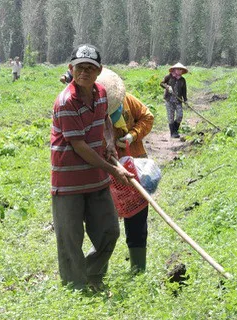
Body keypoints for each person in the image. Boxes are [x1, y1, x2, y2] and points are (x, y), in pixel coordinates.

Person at [51, 44, 133, 291]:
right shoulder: (66, 102)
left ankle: (91, 273)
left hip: (96, 178)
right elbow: (79, 146)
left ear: (99, 71)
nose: (84, 72)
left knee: (109, 231)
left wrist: (109, 142)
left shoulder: (100, 92)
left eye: (90, 68)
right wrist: (114, 170)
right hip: (69, 182)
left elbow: (105, 119)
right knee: (70, 240)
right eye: (79, 68)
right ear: (70, 69)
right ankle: (75, 288)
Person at [96, 68, 154, 274]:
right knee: (103, 223)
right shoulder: (91, 111)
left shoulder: (129, 101)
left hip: (133, 170)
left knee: (137, 217)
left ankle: (138, 269)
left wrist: (132, 136)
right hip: (106, 172)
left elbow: (147, 117)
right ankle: (99, 269)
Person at [160, 62, 188, 138]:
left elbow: (184, 90)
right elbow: (161, 83)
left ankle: (175, 129)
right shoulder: (169, 77)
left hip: (178, 101)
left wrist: (185, 100)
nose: (179, 71)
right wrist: (167, 87)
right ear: (174, 70)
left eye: (181, 70)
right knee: (171, 117)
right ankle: (173, 133)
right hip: (169, 100)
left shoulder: (182, 80)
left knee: (180, 116)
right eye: (178, 69)